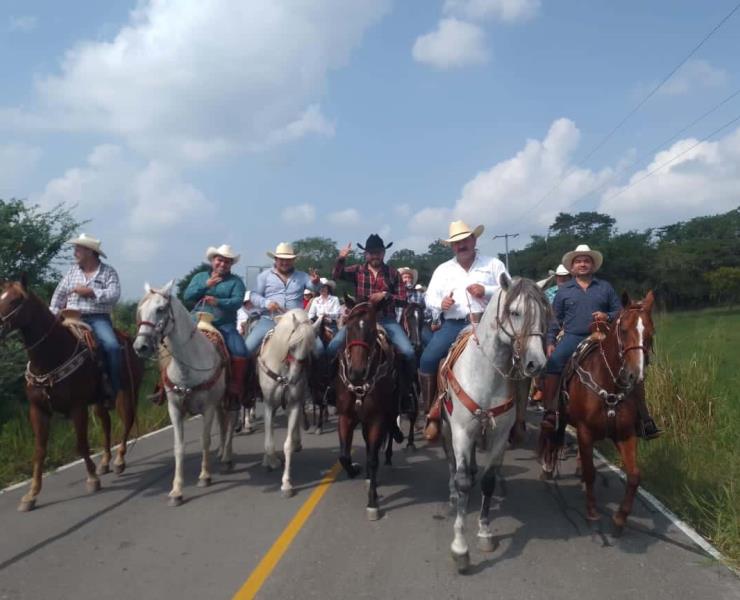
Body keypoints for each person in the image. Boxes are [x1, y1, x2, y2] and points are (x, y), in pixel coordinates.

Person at [541, 244, 660, 439]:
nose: (582, 264)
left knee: (632, 366)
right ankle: (551, 412)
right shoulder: (564, 291)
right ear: (572, 267)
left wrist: (607, 315)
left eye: (586, 261)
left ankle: (643, 418)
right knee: (554, 363)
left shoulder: (604, 287)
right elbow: (555, 320)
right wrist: (550, 341)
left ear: (593, 265)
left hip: (603, 336)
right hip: (573, 336)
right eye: (578, 261)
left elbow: (620, 312)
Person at [421, 220, 509, 441]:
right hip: (455, 324)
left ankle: (516, 418)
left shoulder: (493, 264)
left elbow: (510, 289)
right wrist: (441, 304)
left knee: (516, 358)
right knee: (427, 360)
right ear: (452, 247)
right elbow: (429, 297)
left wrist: (486, 290)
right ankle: (432, 413)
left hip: (489, 324)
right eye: (456, 243)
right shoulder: (443, 270)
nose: (461, 245)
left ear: (474, 240)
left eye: (465, 240)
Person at [327, 234, 417, 409]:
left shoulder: (392, 274)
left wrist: (386, 295)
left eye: (378, 252)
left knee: (408, 352)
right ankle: (331, 389)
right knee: (332, 347)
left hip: (386, 318)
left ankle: (406, 393)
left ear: (383, 253)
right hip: (361, 318)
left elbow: (403, 300)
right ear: (366, 255)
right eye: (371, 253)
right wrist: (341, 259)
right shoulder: (357, 270)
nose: (375, 256)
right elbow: (336, 275)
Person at [50, 233, 122, 408]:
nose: (75, 252)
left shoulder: (108, 272)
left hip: (97, 318)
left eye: (78, 249)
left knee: (112, 346)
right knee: (49, 343)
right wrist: (52, 316)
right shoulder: (72, 272)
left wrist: (91, 292)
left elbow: (114, 295)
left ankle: (113, 388)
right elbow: (58, 296)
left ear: (89, 251)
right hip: (71, 317)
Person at [183, 244, 247, 407]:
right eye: (220, 260)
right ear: (213, 260)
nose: (223, 264)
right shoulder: (199, 277)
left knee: (240, 351)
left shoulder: (236, 282)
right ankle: (164, 386)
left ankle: (235, 387)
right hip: (196, 321)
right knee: (172, 343)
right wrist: (206, 285)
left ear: (231, 264)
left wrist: (218, 301)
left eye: (227, 262)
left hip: (224, 324)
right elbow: (187, 296)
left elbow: (237, 302)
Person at [244, 242, 323, 356]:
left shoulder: (302, 276)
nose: (285, 262)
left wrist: (317, 282)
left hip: (297, 322)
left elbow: (315, 287)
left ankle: (322, 374)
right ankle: (246, 374)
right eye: (281, 259)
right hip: (270, 320)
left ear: (293, 261)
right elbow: (254, 295)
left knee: (319, 349)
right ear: (275, 259)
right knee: (247, 349)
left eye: (288, 260)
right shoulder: (264, 276)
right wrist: (266, 303)